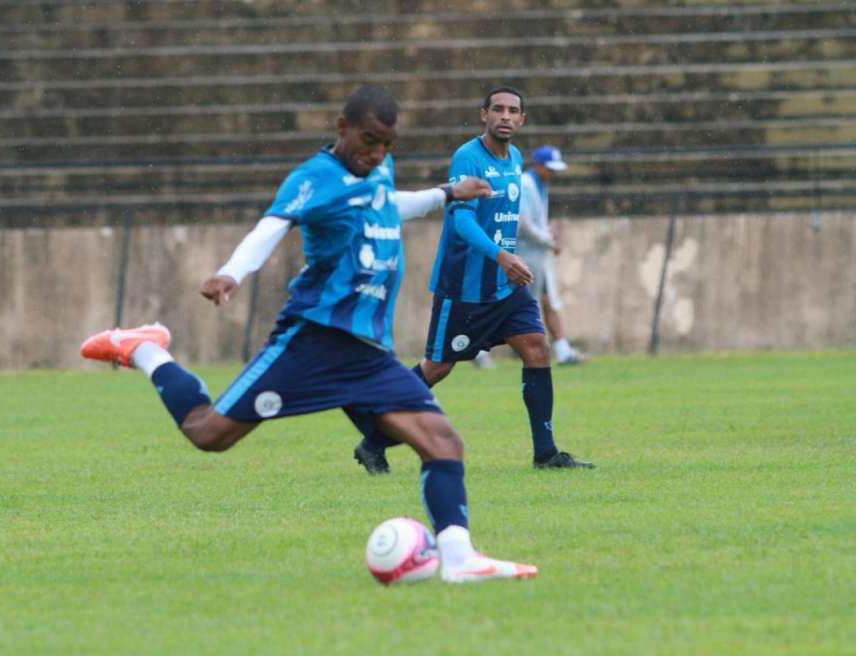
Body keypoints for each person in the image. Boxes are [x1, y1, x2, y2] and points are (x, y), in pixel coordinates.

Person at [80, 85, 537, 583]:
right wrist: (233, 273)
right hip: (314, 339)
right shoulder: (315, 177)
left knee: (443, 442)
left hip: (368, 352)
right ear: (342, 129)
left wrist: (447, 193)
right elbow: (273, 225)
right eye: (368, 141)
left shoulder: (376, 167)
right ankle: (144, 348)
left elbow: (387, 204)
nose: (377, 153)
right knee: (208, 433)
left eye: (387, 144)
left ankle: (458, 559)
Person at [353, 86, 596, 475]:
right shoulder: (468, 157)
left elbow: (501, 218)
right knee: (438, 367)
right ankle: (374, 441)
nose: (505, 116)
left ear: (522, 119)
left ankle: (546, 453)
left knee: (536, 347)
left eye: (512, 110)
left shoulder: (515, 158)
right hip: (465, 288)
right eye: (497, 109)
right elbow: (461, 220)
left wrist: (509, 257)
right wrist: (501, 255)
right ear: (483, 114)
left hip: (504, 286)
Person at [519, 145, 585, 365]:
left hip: (538, 255)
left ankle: (562, 350)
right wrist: (549, 240)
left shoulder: (541, 185)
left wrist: (548, 235)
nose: (554, 173)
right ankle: (480, 350)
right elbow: (523, 224)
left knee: (548, 301)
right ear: (538, 165)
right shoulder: (525, 184)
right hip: (524, 255)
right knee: (521, 305)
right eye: (550, 168)